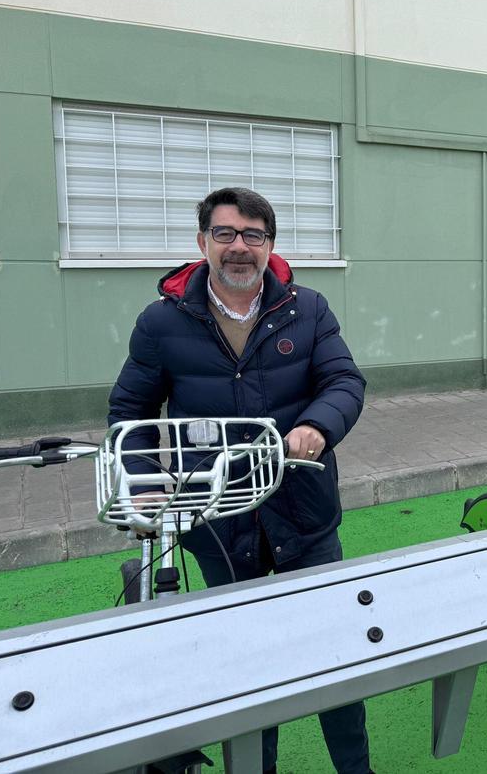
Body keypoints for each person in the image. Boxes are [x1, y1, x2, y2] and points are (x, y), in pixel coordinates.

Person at [108, 187, 372, 774]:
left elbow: (344, 383)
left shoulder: (309, 309)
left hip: (304, 511)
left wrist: (317, 427)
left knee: (338, 652)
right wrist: (145, 477)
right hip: (218, 518)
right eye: (225, 234)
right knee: (247, 661)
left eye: (253, 236)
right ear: (202, 242)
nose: (239, 248)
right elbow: (130, 410)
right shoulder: (161, 321)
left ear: (270, 246)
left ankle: (356, 769)